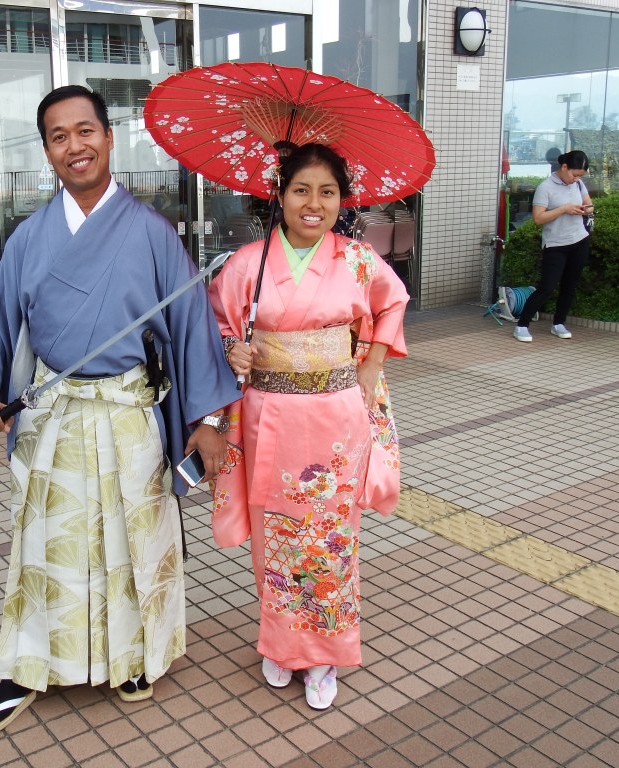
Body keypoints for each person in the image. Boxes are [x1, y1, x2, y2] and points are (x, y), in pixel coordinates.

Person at [0, 85, 240, 736]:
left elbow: (192, 327)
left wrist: (208, 423)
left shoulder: (152, 234)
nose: (75, 146)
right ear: (47, 152)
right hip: (54, 414)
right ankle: (25, 667)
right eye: (58, 136)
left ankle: (135, 655)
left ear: (109, 138)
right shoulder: (30, 237)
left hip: (128, 413)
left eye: (85, 131)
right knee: (46, 547)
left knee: (133, 541)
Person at [208, 143, 408, 711]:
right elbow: (217, 320)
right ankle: (281, 644)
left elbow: (393, 303)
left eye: (327, 192)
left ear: (342, 200)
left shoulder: (359, 259)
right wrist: (233, 348)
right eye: (301, 190)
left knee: (330, 540)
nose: (313, 203)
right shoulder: (248, 262)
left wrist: (370, 363)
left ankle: (324, 655)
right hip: (268, 416)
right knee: (274, 537)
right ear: (280, 193)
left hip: (335, 421)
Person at [513, 149, 593, 342]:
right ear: (564, 167)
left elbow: (590, 205)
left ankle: (559, 323)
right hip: (555, 245)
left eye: (580, 176)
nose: (576, 179)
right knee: (547, 286)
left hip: (579, 240)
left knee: (569, 285)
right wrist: (564, 209)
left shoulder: (578, 184)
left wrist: (585, 210)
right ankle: (522, 325)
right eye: (574, 174)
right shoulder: (545, 187)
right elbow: (538, 218)